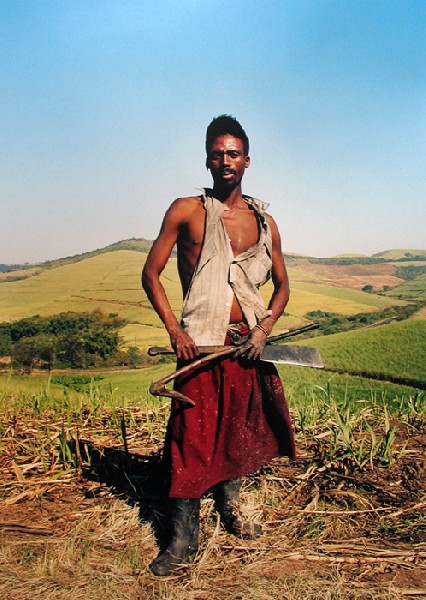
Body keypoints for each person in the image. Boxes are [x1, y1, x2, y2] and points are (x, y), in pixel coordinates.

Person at [142, 115, 295, 576]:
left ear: (247, 160)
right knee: (190, 435)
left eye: (233, 153)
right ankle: (181, 538)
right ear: (207, 160)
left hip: (246, 345)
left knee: (236, 429)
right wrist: (177, 331)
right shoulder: (186, 210)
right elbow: (151, 274)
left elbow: (283, 286)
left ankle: (229, 509)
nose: (225, 160)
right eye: (217, 153)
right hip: (200, 345)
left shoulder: (265, 223)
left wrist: (263, 330)